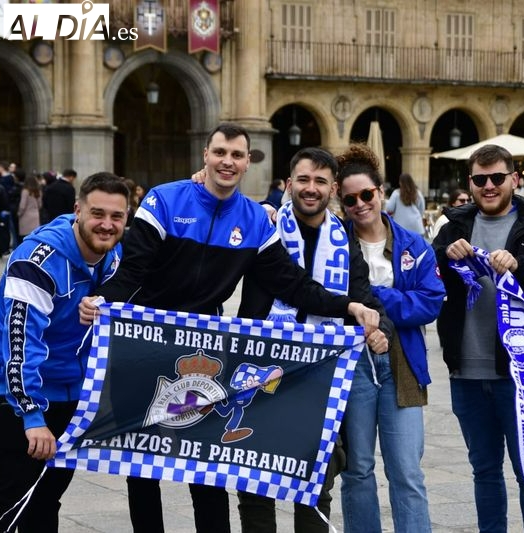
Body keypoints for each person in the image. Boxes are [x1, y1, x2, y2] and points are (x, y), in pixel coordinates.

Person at [78, 123, 382, 533]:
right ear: (205, 155)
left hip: (201, 349)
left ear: (247, 162)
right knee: (142, 464)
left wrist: (348, 305)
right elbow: (132, 270)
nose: (227, 161)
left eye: (237, 155)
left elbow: (292, 284)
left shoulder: (255, 220)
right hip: (146, 344)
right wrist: (101, 300)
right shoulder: (164, 199)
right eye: (220, 152)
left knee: (207, 467)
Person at [235, 146, 392, 533]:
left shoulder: (344, 240)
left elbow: (364, 297)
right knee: (254, 486)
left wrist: (380, 329)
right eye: (303, 179)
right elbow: (218, 223)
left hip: (319, 378)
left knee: (316, 486)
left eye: (320, 181)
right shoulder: (264, 229)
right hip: (262, 369)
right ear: (289, 184)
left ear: (333, 188)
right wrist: (201, 182)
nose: (311, 188)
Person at [432, 144, 524, 533]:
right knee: (484, 472)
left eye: (497, 177)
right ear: (470, 182)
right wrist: (444, 256)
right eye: (480, 179)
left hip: (522, 378)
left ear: (514, 179)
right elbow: (428, 281)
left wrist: (522, 266)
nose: (489, 186)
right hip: (466, 373)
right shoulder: (453, 227)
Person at [0, 172, 129, 532]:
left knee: (45, 501)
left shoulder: (115, 254)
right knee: (6, 502)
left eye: (116, 216)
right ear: (78, 210)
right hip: (18, 397)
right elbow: (19, 342)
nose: (107, 224)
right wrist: (31, 416)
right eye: (97, 213)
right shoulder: (37, 260)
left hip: (71, 396)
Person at [336, 144, 446, 533]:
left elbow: (431, 302)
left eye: (366, 194)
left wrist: (372, 298)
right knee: (358, 469)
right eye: (350, 199)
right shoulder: (334, 244)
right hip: (352, 363)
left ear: (381, 192)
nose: (360, 204)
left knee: (406, 472)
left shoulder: (413, 244)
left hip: (403, 362)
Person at [17, 174, 42, 240]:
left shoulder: (25, 191)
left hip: (26, 216)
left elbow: (22, 205)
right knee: (34, 236)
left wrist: (19, 213)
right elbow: (40, 205)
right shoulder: (38, 191)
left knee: (25, 237)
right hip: (35, 215)